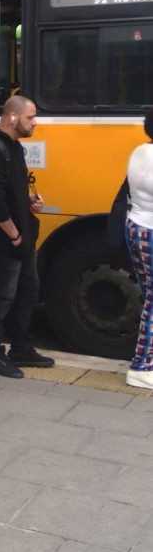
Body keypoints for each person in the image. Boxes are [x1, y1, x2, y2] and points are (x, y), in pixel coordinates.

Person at [0, 95, 54, 378]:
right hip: (4, 240)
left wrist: (29, 199)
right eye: (31, 117)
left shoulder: (13, 147)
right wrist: (14, 235)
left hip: (22, 237)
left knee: (27, 292)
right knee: (0, 296)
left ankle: (20, 348)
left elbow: (9, 191)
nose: (35, 122)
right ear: (12, 117)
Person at [124, 109, 153, 390]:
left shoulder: (139, 151)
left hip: (135, 226)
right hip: (151, 231)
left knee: (149, 297)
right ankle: (141, 367)